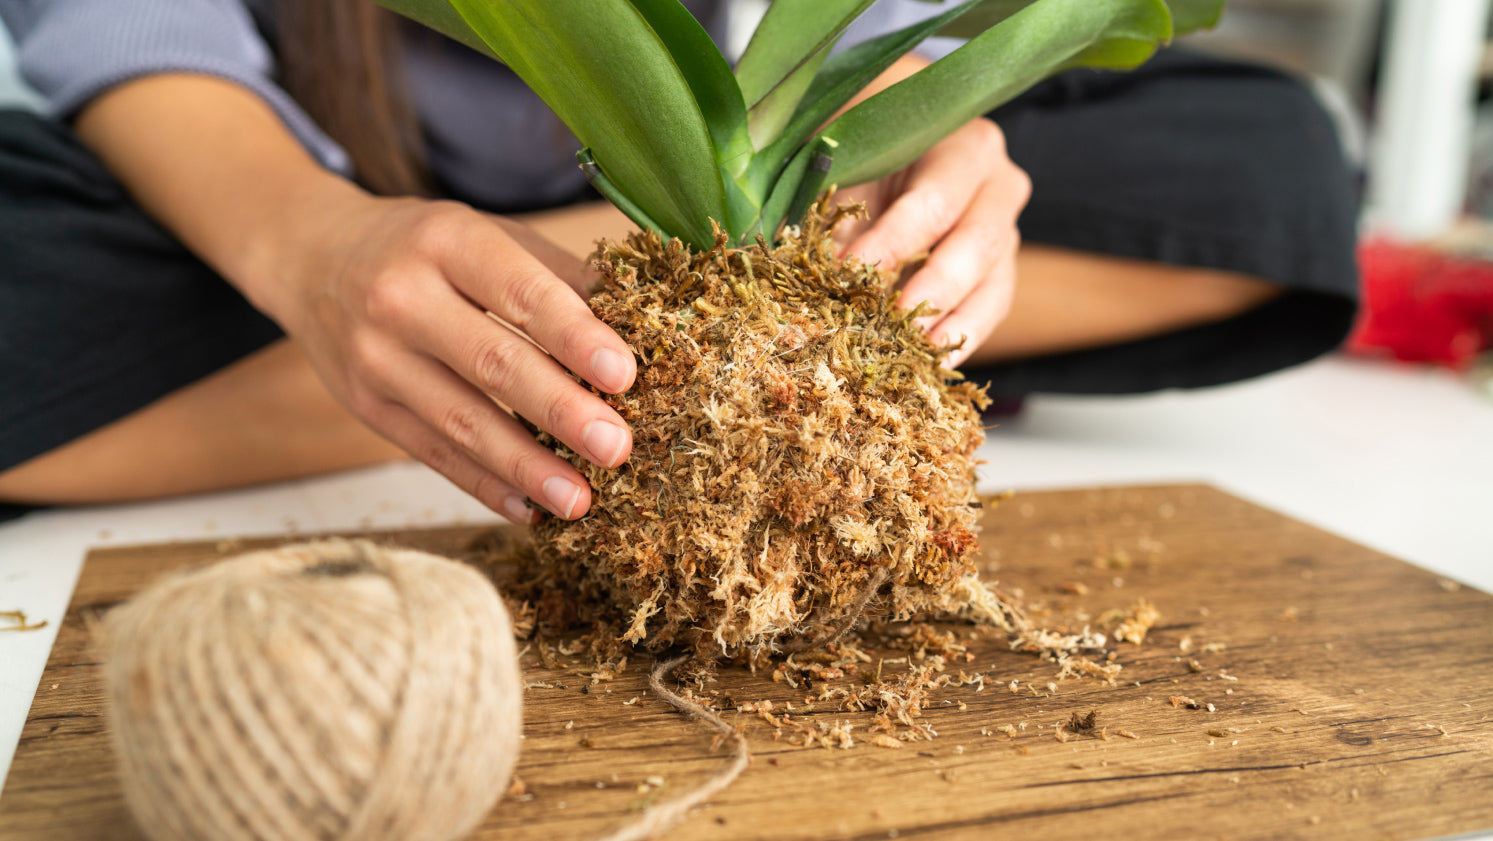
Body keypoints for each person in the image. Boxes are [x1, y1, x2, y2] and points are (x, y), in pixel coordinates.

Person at [0, 0, 1359, 524]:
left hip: (750, 172)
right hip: (313, 169)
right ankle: (729, 334)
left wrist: (920, 134)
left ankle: (581, 337)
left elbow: (870, 37)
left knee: (1266, 158)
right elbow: (117, 23)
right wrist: (308, 248)